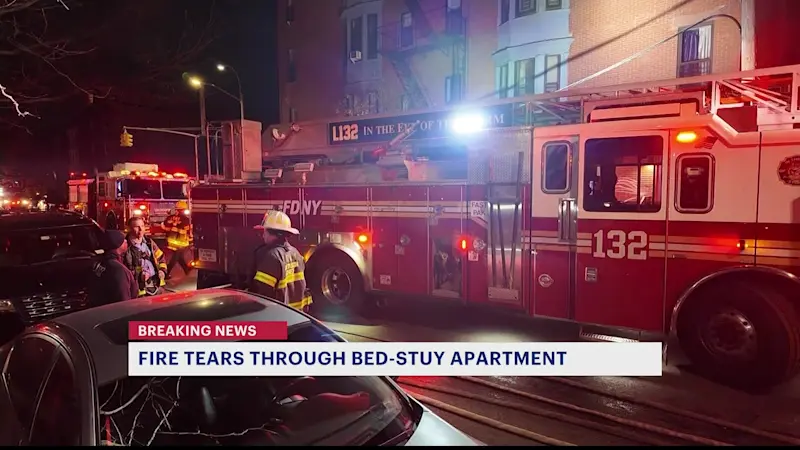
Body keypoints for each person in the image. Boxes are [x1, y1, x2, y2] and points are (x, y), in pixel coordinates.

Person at [251, 210, 312, 312]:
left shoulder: (271, 257)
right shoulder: (295, 253)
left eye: (265, 232)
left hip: (279, 317)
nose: (263, 236)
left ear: (273, 233)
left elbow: (262, 294)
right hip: (296, 316)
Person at [88, 230, 138, 307]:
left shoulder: (100, 263)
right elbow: (123, 302)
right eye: (123, 240)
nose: (126, 241)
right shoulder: (118, 270)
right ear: (117, 245)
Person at [123, 216, 167, 296]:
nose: (141, 229)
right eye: (137, 227)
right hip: (139, 292)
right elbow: (123, 271)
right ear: (129, 228)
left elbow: (161, 257)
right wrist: (139, 275)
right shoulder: (125, 247)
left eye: (142, 226)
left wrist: (162, 271)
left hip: (156, 287)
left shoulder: (149, 243)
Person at [164, 200, 193, 279]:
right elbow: (189, 231)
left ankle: (186, 269)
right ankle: (165, 273)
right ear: (184, 209)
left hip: (172, 241)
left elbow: (164, 226)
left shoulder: (170, 217)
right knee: (175, 258)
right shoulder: (186, 219)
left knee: (179, 257)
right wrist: (191, 238)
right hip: (181, 242)